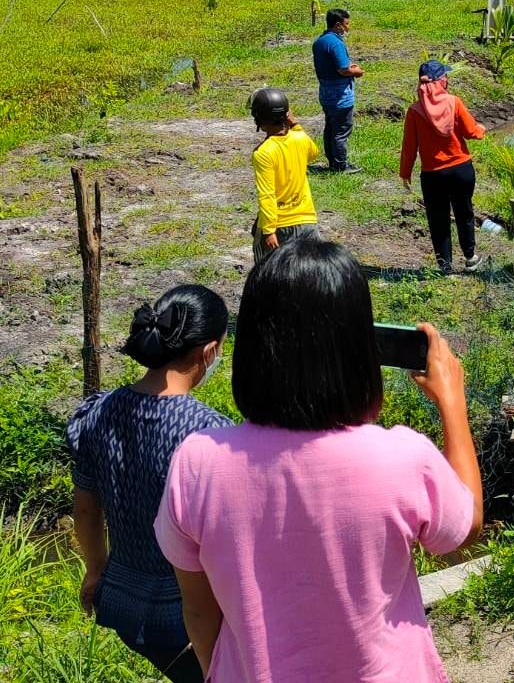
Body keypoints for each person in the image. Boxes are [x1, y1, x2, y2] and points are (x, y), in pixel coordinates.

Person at [154, 237, 484, 682]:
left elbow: (197, 609)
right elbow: (464, 532)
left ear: (252, 348)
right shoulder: (402, 458)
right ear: (359, 350)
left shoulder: (197, 464)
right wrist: (453, 404)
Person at [67, 285, 233, 683]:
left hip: (121, 602)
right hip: (188, 618)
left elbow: (86, 510)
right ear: (209, 352)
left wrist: (95, 571)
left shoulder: (97, 412)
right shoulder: (210, 434)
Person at [399, 59, 487, 273]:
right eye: (445, 76)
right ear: (440, 81)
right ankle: (470, 258)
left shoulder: (414, 111)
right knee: (464, 213)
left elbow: (409, 146)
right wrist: (481, 129)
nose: (447, 79)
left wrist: (405, 172)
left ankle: (445, 267)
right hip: (461, 170)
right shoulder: (454, 103)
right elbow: (471, 132)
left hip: (432, 175)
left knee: (438, 220)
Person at [249, 87, 321, 264]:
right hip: (307, 221)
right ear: (286, 114)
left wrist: (269, 231)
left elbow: (267, 194)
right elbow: (314, 153)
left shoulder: (263, 153)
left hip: (280, 226)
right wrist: (295, 123)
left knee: (266, 276)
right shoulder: (300, 138)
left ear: (259, 120)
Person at [312, 7, 364, 174]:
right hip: (340, 95)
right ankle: (340, 165)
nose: (348, 28)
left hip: (325, 92)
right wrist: (357, 71)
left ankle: (333, 162)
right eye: (346, 24)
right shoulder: (335, 43)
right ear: (338, 25)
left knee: (330, 128)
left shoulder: (320, 41)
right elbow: (343, 69)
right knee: (341, 130)